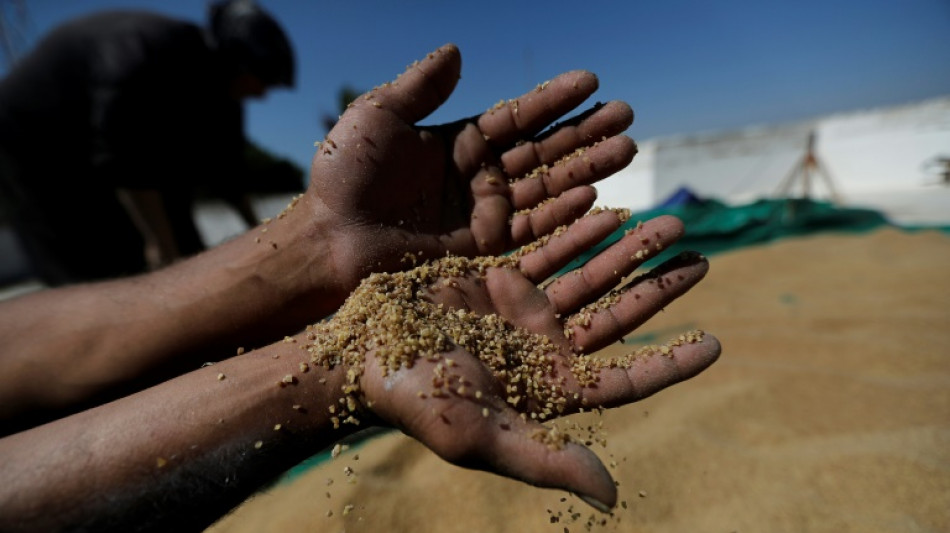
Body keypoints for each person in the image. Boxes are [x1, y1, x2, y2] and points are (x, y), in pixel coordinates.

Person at [0, 44, 721, 532]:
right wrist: (338, 362)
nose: (261, 95)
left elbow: (23, 348)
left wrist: (314, 244)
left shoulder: (173, 76)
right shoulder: (142, 58)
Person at [0, 0, 296, 286]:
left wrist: (267, 241)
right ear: (236, 59)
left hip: (117, 148)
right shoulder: (145, 49)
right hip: (36, 137)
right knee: (98, 267)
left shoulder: (225, 100)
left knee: (188, 254)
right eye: (263, 80)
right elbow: (124, 157)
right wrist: (160, 246)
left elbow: (228, 174)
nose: (262, 94)